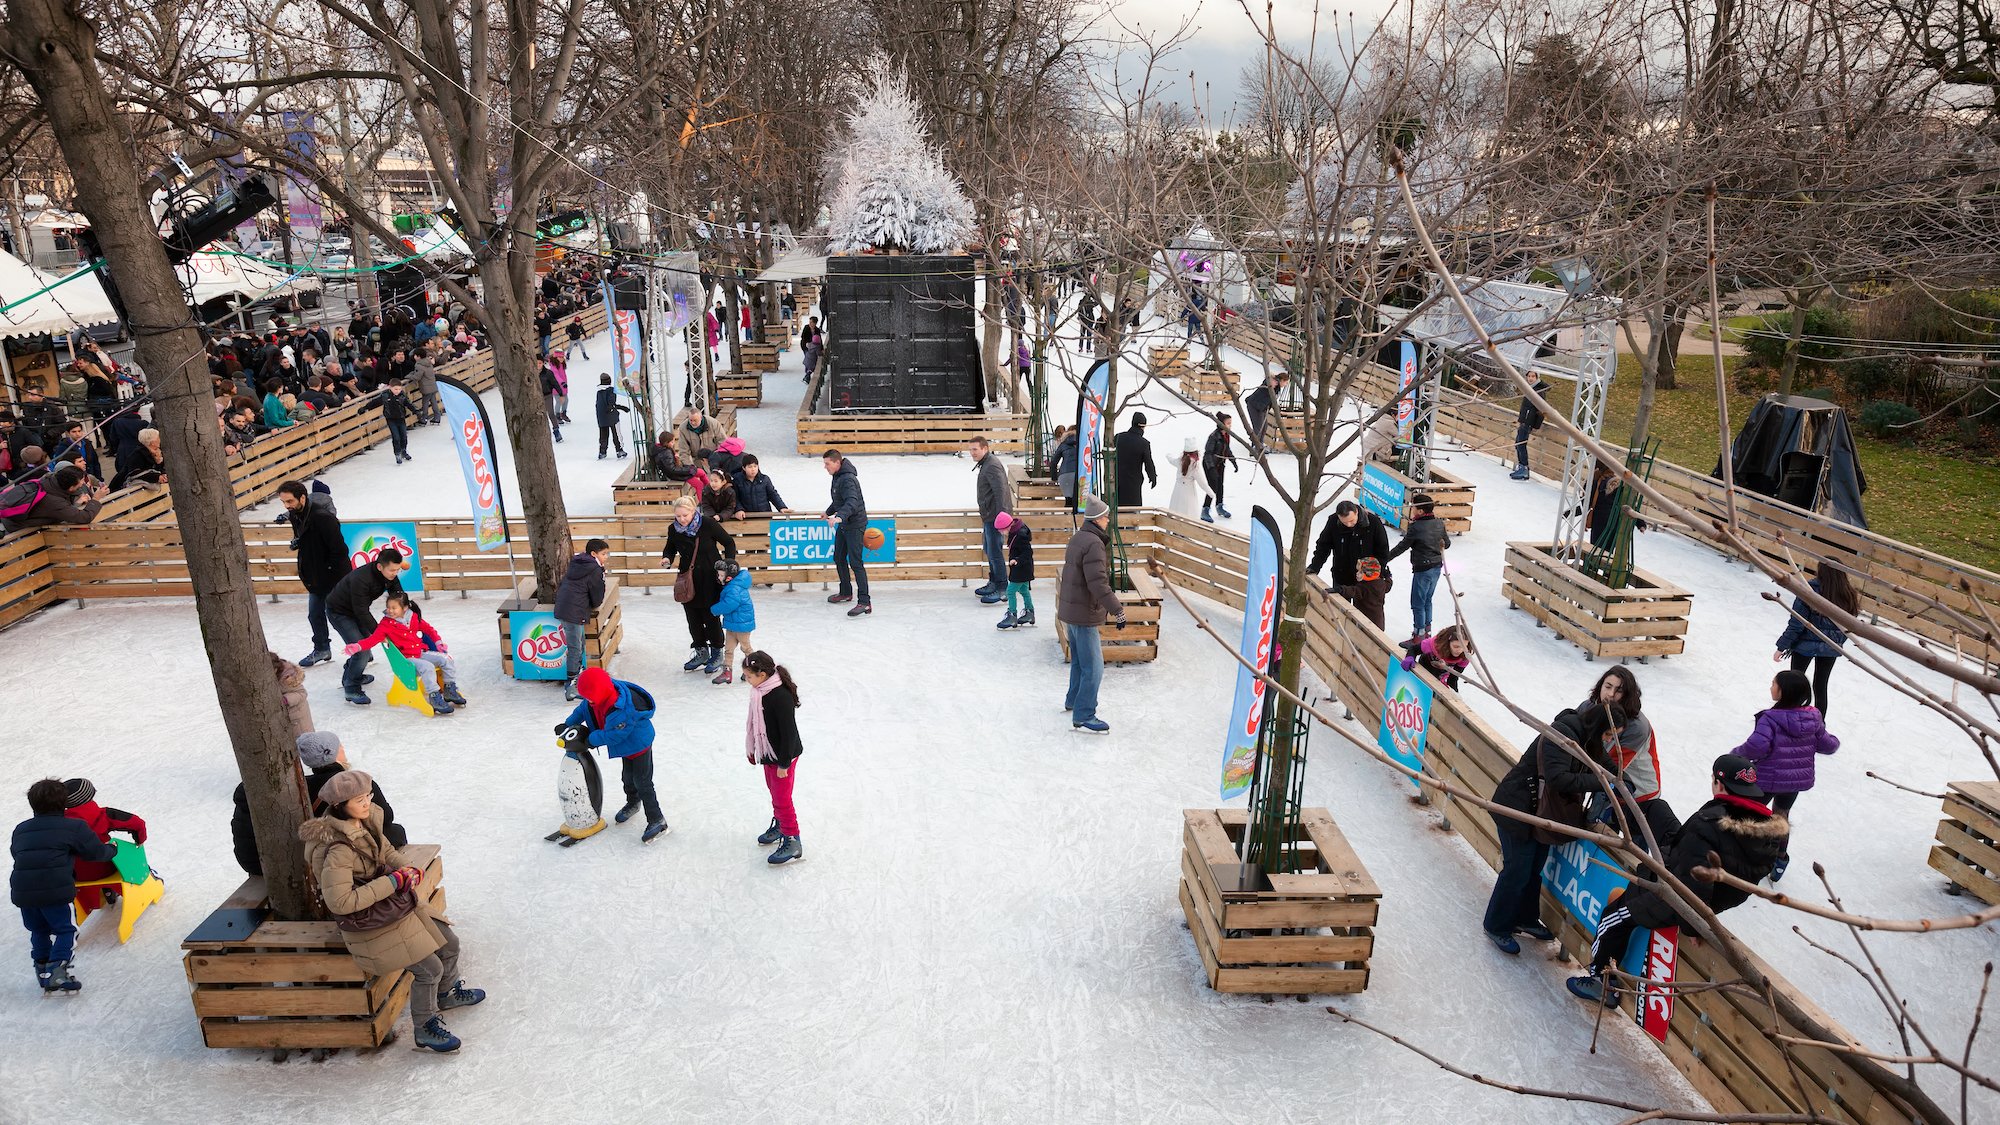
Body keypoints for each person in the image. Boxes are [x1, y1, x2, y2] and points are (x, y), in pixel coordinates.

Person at [1566, 755, 1789, 1005]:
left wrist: (1695, 925)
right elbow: (1738, 888)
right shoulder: (1767, 832)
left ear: (1719, 783)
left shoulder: (1709, 824)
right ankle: (1618, 821)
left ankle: (1600, 981)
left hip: (1672, 897)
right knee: (1656, 809)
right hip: (1695, 876)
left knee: (1612, 918)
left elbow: (1693, 885)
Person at [300, 770, 485, 1052]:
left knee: (450, 943)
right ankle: (424, 1028)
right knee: (429, 969)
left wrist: (406, 868)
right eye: (359, 800)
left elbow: (386, 852)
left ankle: (446, 994)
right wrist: (393, 882)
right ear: (340, 806)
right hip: (370, 924)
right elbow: (340, 903)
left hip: (393, 906)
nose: (366, 803)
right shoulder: (337, 849)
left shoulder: (366, 822)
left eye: (368, 797)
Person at [1483, 702, 1619, 953]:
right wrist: (1602, 783)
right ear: (1599, 726)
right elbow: (1559, 778)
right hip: (1518, 808)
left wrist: (1621, 781)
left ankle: (1524, 917)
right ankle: (1497, 924)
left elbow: (1609, 768)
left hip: (1538, 813)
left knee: (1534, 868)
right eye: (1609, 735)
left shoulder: (1589, 740)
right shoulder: (1562, 735)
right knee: (1518, 870)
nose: (1610, 741)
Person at [231, 732, 409, 876]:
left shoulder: (299, 787)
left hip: (263, 862)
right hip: (328, 860)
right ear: (331, 753)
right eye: (339, 746)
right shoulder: (352, 784)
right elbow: (385, 817)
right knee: (395, 831)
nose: (343, 748)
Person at [12, 778, 118, 992]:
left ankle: (42, 972)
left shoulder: (21, 829)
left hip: (23, 891)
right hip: (55, 890)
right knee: (66, 930)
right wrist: (113, 849)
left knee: (39, 930)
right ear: (64, 803)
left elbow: (18, 854)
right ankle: (57, 973)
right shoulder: (74, 826)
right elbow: (95, 853)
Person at [1731, 669, 1837, 882]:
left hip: (1766, 779)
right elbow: (1828, 745)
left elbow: (1756, 747)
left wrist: (1735, 755)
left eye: (1773, 684)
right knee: (1781, 817)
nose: (1771, 687)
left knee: (1752, 815)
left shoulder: (1770, 718)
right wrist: (1832, 740)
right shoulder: (1813, 717)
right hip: (1794, 782)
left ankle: (1746, 858)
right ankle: (1780, 860)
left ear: (1783, 691)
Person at [563, 667, 669, 843]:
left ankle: (657, 820)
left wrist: (589, 739)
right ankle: (633, 803)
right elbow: (582, 710)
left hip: (639, 746)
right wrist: (568, 725)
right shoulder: (595, 698)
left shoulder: (621, 708)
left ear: (599, 692)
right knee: (627, 778)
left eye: (589, 697)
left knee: (643, 783)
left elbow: (613, 735)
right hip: (626, 748)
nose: (587, 701)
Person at [1058, 495, 1125, 734]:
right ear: (1098, 519)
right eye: (1106, 517)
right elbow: (1098, 583)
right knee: (1094, 667)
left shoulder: (1078, 538)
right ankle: (1085, 713)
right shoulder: (1094, 544)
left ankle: (1073, 700)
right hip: (1084, 613)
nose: (1108, 521)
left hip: (1071, 611)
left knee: (1079, 661)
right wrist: (1117, 610)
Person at [342, 590, 467, 714]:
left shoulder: (413, 617)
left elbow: (429, 629)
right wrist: (358, 646)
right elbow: (373, 639)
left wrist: (438, 642)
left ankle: (449, 689)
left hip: (420, 653)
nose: (390, 610)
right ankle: (434, 696)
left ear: (405, 608)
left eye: (394, 608)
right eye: (388, 607)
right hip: (405, 659)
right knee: (428, 667)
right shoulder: (386, 624)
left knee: (446, 658)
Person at [279, 479, 352, 666]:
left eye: (290, 502)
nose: (287, 506)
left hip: (334, 577)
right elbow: (305, 539)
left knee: (339, 617)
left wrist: (329, 572)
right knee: (315, 614)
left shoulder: (323, 518)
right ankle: (322, 649)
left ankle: (359, 651)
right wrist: (297, 542)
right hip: (314, 576)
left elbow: (340, 550)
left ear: (302, 497)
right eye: (284, 503)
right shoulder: (296, 516)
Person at [662, 495, 737, 674]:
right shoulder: (673, 529)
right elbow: (670, 547)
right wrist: (667, 558)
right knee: (692, 617)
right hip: (688, 579)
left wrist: (727, 565)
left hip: (710, 578)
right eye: (678, 516)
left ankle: (717, 651)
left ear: (693, 511)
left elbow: (728, 542)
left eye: (685, 515)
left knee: (710, 615)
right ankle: (701, 651)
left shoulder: (707, 524)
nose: (682, 519)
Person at [743, 651, 804, 865]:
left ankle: (792, 839)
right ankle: (780, 824)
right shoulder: (760, 692)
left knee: (783, 797)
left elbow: (789, 733)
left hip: (783, 756)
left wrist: (784, 763)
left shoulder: (779, 696)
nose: (747, 680)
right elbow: (755, 725)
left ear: (762, 674)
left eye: (749, 676)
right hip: (769, 752)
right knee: (774, 791)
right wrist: (753, 749)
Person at [326, 547, 408, 706]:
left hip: (357, 611)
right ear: (380, 566)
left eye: (397, 570)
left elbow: (399, 597)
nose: (395, 573)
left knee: (366, 646)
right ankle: (351, 687)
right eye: (392, 570)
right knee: (362, 650)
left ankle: (352, 673)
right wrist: (381, 633)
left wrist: (409, 616)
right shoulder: (361, 579)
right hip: (339, 612)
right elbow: (361, 611)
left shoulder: (390, 575)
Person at [1774, 564, 1858, 716]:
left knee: (1794, 683)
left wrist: (1782, 646)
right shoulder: (1848, 594)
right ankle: (1819, 724)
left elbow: (1797, 622)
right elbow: (1850, 625)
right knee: (1820, 685)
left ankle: (1788, 718)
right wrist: (1837, 642)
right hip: (1831, 647)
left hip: (1803, 647)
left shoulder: (1809, 590)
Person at [59, 778, 146, 914]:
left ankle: (105, 892)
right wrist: (139, 840)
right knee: (117, 853)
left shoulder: (59, 823)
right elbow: (137, 823)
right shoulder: (103, 814)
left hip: (78, 875)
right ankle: (145, 880)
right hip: (107, 867)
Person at [1385, 493, 1450, 637]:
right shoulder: (1439, 523)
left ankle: (1418, 634)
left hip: (1423, 569)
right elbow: (1447, 544)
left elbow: (1402, 546)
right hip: (1436, 568)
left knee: (1417, 602)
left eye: (1413, 507)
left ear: (1420, 511)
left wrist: (1385, 558)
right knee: (1427, 599)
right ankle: (1427, 632)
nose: (1412, 510)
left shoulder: (1416, 527)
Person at [553, 538, 610, 701]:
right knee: (575, 648)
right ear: (594, 554)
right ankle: (570, 685)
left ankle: (581, 679)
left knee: (580, 644)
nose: (606, 557)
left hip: (567, 608)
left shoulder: (578, 563)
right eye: (604, 554)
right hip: (573, 611)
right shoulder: (594, 569)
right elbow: (597, 594)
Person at [822, 449, 871, 617]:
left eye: (827, 463)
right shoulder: (838, 476)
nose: (825, 467)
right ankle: (846, 592)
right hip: (845, 523)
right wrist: (828, 512)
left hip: (855, 524)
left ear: (837, 462)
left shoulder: (848, 478)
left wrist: (839, 517)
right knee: (839, 557)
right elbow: (839, 500)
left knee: (856, 563)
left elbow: (851, 502)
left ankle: (864, 602)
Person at [970, 436, 1014, 604]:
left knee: (995, 552)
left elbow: (1001, 492)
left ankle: (1003, 588)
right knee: (989, 549)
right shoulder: (986, 464)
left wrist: (1002, 520)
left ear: (985, 449)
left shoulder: (992, 465)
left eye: (975, 449)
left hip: (996, 518)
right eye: (970, 449)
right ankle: (994, 581)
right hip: (990, 516)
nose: (972, 453)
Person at [2, 465, 106, 531]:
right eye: (81, 482)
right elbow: (84, 517)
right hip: (17, 528)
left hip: (16, 522)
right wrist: (95, 499)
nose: (83, 483)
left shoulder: (50, 479)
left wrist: (76, 503)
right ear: (70, 487)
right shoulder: (53, 501)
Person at [709, 557, 756, 685]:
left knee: (746, 648)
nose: (719, 577)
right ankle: (727, 672)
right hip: (732, 624)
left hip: (742, 625)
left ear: (729, 576)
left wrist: (714, 609)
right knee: (729, 649)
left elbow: (730, 604)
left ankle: (753, 670)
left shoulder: (734, 588)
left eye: (721, 575)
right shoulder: (732, 585)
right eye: (718, 574)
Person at [995, 511, 1036, 630]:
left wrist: (1017, 560)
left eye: (1001, 530)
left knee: (1010, 592)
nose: (1001, 533)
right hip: (1024, 569)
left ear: (1007, 526)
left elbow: (1028, 552)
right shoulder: (1015, 532)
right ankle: (1030, 613)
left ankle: (1012, 615)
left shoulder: (1020, 535)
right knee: (1024, 591)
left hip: (1021, 569)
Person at [1399, 624, 1470, 689]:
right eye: (1456, 646)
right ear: (1447, 643)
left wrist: (1453, 690)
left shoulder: (1465, 656)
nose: (1460, 650)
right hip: (1422, 671)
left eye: (1464, 647)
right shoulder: (1432, 645)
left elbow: (1454, 676)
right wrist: (1409, 657)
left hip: (1439, 680)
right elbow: (1414, 649)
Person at [1112, 411, 1157, 509]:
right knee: (1133, 515)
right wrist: (1152, 476)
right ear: (1143, 426)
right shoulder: (1144, 443)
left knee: (1117, 515)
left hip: (1116, 482)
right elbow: (1148, 463)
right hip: (1133, 485)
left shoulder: (1118, 437)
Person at [1511, 377, 1550, 480]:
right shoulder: (1529, 389)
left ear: (1537, 378)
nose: (1530, 378)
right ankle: (1521, 467)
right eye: (1529, 376)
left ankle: (1524, 469)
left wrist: (1536, 425)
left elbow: (1541, 410)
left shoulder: (1538, 391)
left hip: (1528, 422)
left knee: (1521, 445)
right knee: (1518, 444)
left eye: (1533, 376)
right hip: (1524, 421)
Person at [1167, 437, 1215, 519]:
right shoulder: (1195, 465)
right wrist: (1211, 493)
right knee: (1189, 514)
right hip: (1188, 493)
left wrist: (1168, 455)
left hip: (1177, 491)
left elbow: (1172, 460)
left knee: (1176, 512)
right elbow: (1202, 483)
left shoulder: (1180, 460)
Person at [271, 650, 315, 739]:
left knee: (304, 742)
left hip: (298, 719)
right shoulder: (278, 675)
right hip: (290, 718)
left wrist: (287, 699)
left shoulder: (288, 677)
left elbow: (302, 693)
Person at [1201, 412, 1236, 522]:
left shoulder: (1226, 435)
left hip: (1220, 464)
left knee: (1220, 485)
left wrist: (1233, 461)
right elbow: (1208, 453)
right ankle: (1205, 509)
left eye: (1231, 423)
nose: (1230, 425)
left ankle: (1219, 506)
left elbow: (1227, 449)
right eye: (1228, 423)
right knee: (1213, 486)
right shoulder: (1214, 436)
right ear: (1221, 424)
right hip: (1210, 464)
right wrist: (1211, 469)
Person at [371, 378, 414, 463]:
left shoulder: (402, 395)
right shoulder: (385, 395)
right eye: (395, 389)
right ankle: (397, 453)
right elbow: (374, 402)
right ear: (390, 387)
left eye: (399, 389)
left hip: (401, 419)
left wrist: (417, 412)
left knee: (404, 436)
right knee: (396, 437)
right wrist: (364, 408)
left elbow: (409, 404)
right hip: (391, 420)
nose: (397, 391)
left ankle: (403, 451)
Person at [1244, 371, 1288, 452]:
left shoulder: (1277, 387)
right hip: (1254, 406)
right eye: (1286, 382)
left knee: (1264, 427)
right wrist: (1269, 383)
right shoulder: (1272, 383)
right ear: (1282, 380)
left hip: (1262, 407)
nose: (1286, 385)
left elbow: (1272, 399)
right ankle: (1256, 446)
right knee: (1258, 427)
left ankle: (1259, 444)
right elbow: (1266, 383)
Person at [595, 374, 629, 460]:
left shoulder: (599, 391)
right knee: (616, 434)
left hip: (601, 416)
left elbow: (600, 404)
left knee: (603, 435)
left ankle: (602, 452)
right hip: (612, 416)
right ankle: (619, 450)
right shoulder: (611, 390)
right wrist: (622, 408)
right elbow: (611, 404)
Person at [1049, 425, 1078, 501]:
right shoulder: (1084, 444)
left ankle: (1068, 509)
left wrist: (1054, 477)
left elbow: (1053, 462)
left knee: (1068, 501)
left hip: (1064, 476)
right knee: (1078, 502)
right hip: (1079, 475)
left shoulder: (1063, 444)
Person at [538, 361, 564, 444]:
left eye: (540, 363)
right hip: (536, 397)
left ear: (543, 363)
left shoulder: (548, 373)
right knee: (540, 415)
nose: (538, 365)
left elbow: (555, 383)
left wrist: (561, 394)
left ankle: (556, 431)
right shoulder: (531, 373)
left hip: (547, 395)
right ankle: (542, 433)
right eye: (536, 363)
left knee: (551, 413)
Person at [800, 316, 823, 382]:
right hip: (806, 346)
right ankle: (807, 375)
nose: (810, 323)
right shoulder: (806, 327)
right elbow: (803, 337)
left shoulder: (817, 330)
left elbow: (819, 340)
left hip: (814, 347)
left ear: (815, 323)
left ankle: (807, 375)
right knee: (808, 358)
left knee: (812, 360)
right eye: (809, 322)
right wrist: (808, 343)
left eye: (811, 322)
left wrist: (821, 348)